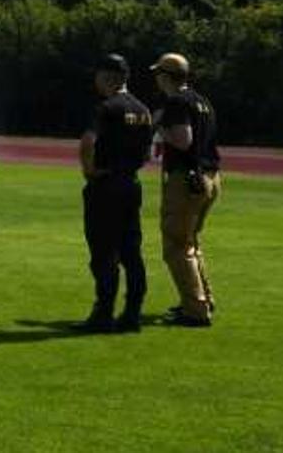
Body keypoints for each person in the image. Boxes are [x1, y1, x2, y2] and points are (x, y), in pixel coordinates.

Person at [77, 53, 157, 333]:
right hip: (131, 185)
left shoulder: (105, 107)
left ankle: (103, 312)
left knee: (102, 252)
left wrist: (89, 170)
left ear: (105, 77)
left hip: (105, 184)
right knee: (131, 251)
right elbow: (149, 152)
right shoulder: (143, 110)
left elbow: (88, 142)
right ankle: (132, 313)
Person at [151, 53, 221, 328]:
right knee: (191, 241)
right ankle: (202, 298)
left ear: (166, 76)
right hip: (211, 175)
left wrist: (158, 125)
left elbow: (183, 140)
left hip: (187, 179)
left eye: (158, 74)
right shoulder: (202, 100)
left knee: (176, 245)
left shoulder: (176, 102)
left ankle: (195, 309)